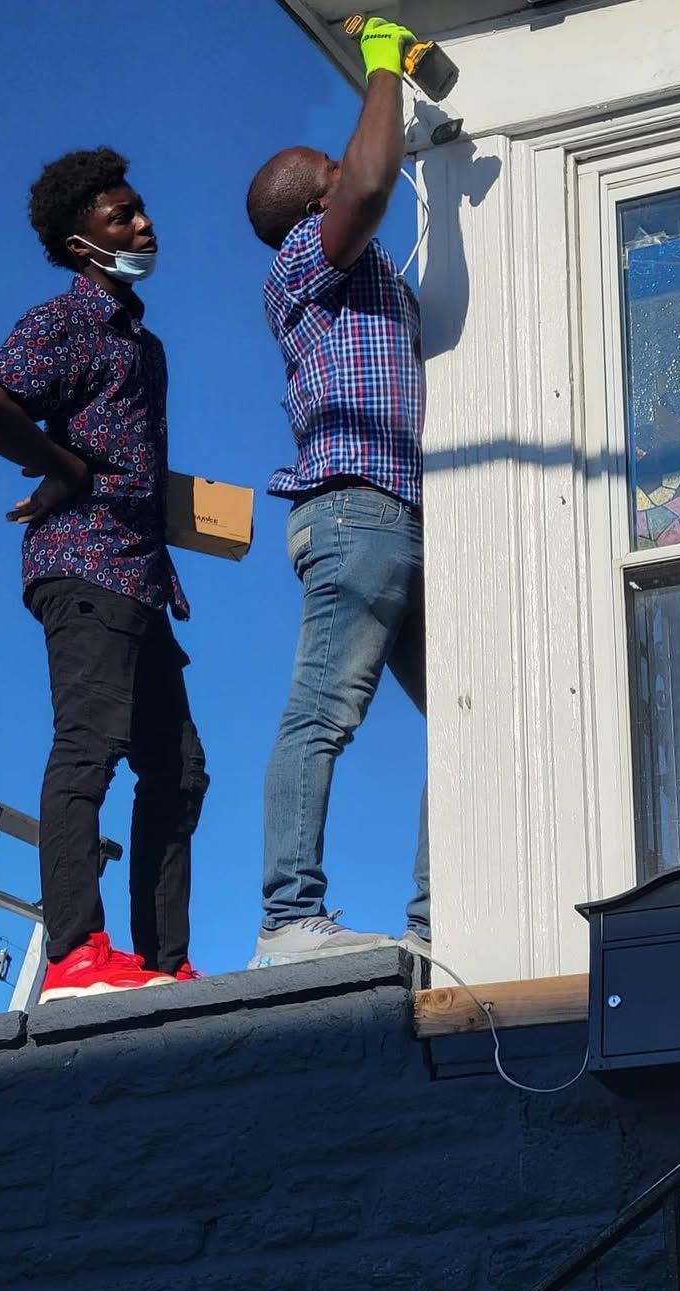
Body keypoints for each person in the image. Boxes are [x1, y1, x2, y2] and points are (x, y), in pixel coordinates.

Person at [0, 147, 208, 1001]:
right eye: (121, 217)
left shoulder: (146, 345)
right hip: (82, 564)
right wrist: (60, 467)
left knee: (178, 770)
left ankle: (162, 962)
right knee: (89, 747)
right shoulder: (62, 323)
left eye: (142, 211)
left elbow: (131, 460)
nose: (144, 225)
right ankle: (74, 953)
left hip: (141, 576)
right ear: (79, 243)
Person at [244, 18, 429, 968]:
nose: (348, 157)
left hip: (397, 517)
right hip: (356, 513)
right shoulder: (301, 266)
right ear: (312, 196)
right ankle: (289, 921)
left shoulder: (362, 276)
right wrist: (384, 62)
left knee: (470, 706)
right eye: (331, 158)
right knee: (323, 711)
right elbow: (368, 178)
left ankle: (440, 915)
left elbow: (374, 177)